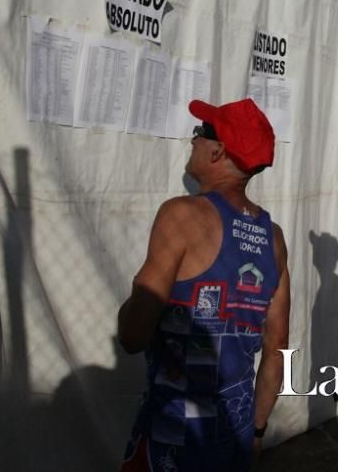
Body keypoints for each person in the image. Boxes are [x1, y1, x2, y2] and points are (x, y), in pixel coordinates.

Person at [117, 98, 290, 472]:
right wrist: (257, 433)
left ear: (218, 151)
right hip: (235, 433)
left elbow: (132, 336)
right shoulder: (272, 237)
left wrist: (137, 292)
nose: (192, 140)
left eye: (199, 133)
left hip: (173, 437)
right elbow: (276, 348)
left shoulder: (181, 214)